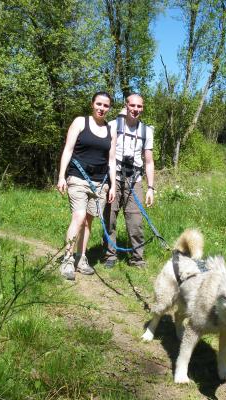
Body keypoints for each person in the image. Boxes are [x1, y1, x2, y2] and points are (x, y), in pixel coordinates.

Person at [57, 91, 116, 280]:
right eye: (99, 104)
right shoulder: (80, 122)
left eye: (106, 106)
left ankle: (81, 258)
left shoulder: (110, 129)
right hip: (78, 178)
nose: (102, 108)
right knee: (79, 217)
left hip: (100, 183)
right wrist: (61, 176)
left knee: (89, 221)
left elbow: (112, 160)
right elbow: (68, 149)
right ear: (92, 104)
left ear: (109, 108)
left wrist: (113, 185)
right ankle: (67, 260)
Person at [103, 94, 155, 268]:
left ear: (143, 108)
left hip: (135, 180)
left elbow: (149, 161)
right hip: (113, 178)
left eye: (139, 106)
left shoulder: (146, 131)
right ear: (126, 106)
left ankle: (137, 258)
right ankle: (110, 255)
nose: (135, 109)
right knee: (110, 217)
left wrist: (151, 188)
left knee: (136, 221)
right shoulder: (112, 125)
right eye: (132, 105)